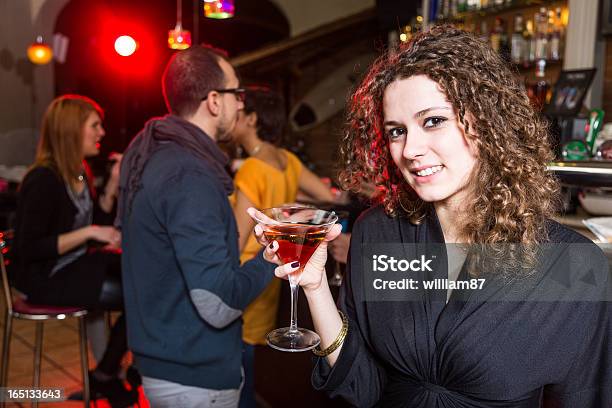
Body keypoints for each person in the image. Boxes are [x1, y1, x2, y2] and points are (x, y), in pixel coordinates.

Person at [252, 25, 612, 407]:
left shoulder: (570, 265)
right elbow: (363, 385)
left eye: (433, 121)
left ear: (486, 121)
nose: (410, 149)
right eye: (396, 131)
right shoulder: (380, 232)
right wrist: (314, 286)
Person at [116, 46, 278, 408]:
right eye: (237, 94)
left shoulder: (155, 149)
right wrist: (276, 251)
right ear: (215, 101)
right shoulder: (189, 174)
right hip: (193, 374)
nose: (241, 105)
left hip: (167, 358)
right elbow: (218, 303)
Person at [12, 94, 137, 407]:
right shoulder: (43, 179)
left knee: (141, 281)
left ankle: (108, 374)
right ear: (71, 130)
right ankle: (109, 376)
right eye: (95, 126)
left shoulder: (79, 172)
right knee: (139, 296)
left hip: (73, 264)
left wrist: (111, 186)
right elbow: (29, 248)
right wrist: (90, 232)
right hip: (44, 276)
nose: (102, 133)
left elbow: (99, 224)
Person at [229, 86, 334, 408]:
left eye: (239, 112)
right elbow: (328, 197)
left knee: (239, 362)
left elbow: (237, 235)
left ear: (252, 119)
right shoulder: (286, 159)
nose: (232, 118)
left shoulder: (251, 167)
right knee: (253, 355)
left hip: (249, 269)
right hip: (276, 270)